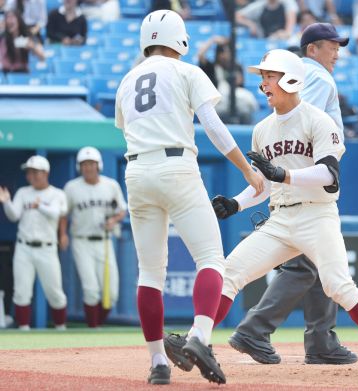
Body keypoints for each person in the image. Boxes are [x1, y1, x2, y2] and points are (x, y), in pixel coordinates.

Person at [166, 49, 358, 378]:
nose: (263, 83)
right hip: (280, 218)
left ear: (291, 79)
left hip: (317, 215)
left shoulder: (318, 121)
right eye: (262, 77)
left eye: (269, 76)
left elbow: (328, 175)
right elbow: (266, 184)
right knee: (228, 273)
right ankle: (198, 341)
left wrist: (283, 174)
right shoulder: (262, 129)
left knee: (338, 286)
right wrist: (237, 203)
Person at [114, 9, 264, 386]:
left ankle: (158, 364)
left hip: (135, 170)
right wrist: (246, 169)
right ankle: (199, 336)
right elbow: (211, 124)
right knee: (211, 258)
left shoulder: (127, 80)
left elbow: (127, 129)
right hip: (176, 164)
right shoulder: (186, 71)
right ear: (179, 39)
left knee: (149, 273)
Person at [225, 22, 358, 366]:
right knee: (304, 265)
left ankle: (320, 340)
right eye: (331, 46)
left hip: (302, 180)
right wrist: (287, 176)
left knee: (314, 267)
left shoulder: (315, 74)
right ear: (311, 49)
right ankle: (257, 328)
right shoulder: (314, 76)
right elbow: (295, 123)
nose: (337, 53)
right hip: (304, 184)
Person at [59, 147, 127, 328]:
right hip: (82, 240)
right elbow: (64, 214)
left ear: (99, 165)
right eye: (84, 164)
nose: (88, 168)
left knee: (111, 294)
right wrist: (63, 234)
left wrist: (113, 220)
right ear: (79, 167)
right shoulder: (72, 187)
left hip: (104, 241)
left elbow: (121, 210)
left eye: (91, 164)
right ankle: (93, 328)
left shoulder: (111, 185)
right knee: (91, 290)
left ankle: (97, 324)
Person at [0, 156, 68, 330]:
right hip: (24, 247)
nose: (31, 176)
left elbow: (56, 213)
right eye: (29, 172)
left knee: (55, 293)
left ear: (45, 173)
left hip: (47, 248)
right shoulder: (23, 192)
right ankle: (24, 330)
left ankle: (61, 329)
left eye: (35, 172)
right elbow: (14, 215)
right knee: (22, 293)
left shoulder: (57, 193)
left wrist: (40, 206)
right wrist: (7, 202)